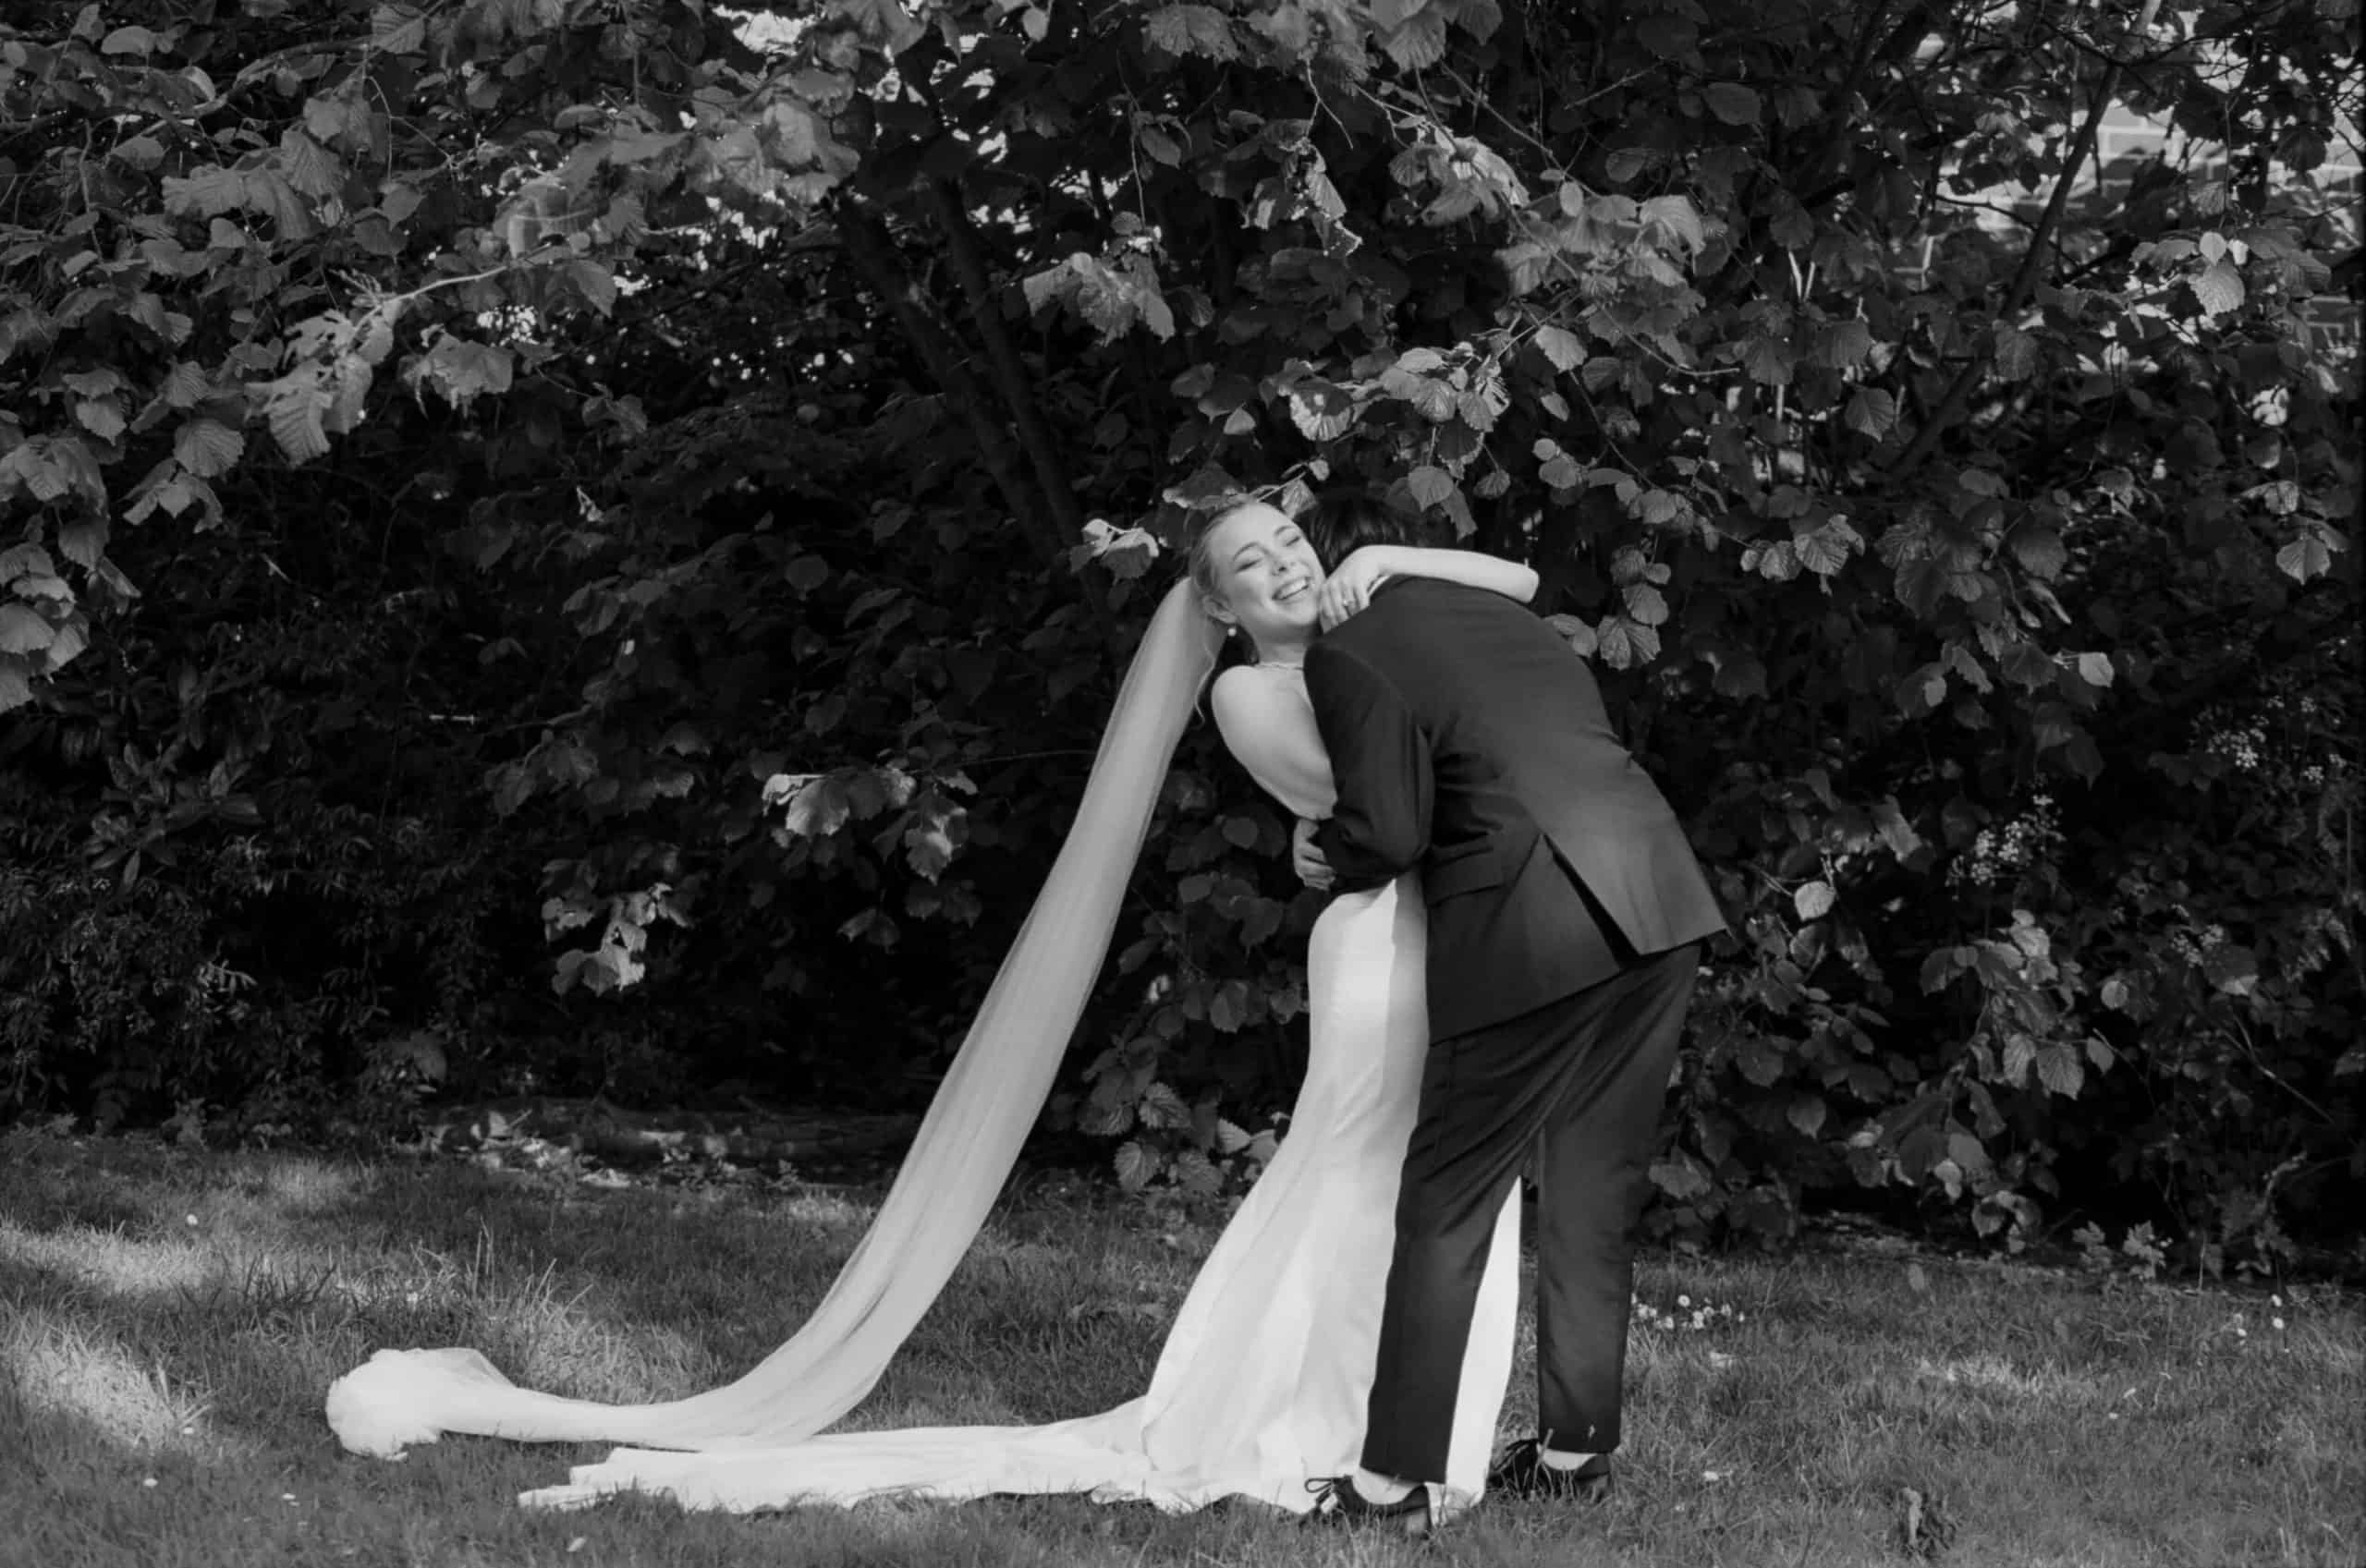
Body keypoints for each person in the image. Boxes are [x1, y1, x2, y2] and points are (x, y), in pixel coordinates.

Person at [323, 494, 1545, 1518]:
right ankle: (1332, 1423)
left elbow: (1520, 582)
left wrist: (1392, 559)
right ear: (1220, 611)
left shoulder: (1369, 620)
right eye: (1251, 565)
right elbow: (1387, 802)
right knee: (1370, 1171)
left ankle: (1403, 1429)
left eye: (1289, 537)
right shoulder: (1255, 690)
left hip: (1454, 926)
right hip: (1387, 940)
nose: (1287, 562)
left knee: (1433, 1173)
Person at [1291, 495, 1729, 1536]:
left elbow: (1388, 829)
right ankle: (1575, 1456)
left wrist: (1322, 847)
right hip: (1654, 889)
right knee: (1594, 1186)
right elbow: (1523, 582)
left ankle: (1390, 1484)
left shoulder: (1346, 657)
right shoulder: (1484, 614)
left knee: (1445, 1195)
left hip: (1530, 926)